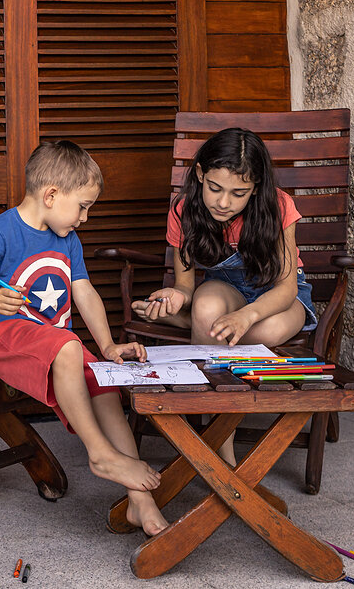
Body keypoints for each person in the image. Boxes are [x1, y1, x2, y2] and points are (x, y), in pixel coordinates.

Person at [0, 140, 169, 536]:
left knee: (102, 379)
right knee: (66, 345)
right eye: (82, 206)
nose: (84, 217)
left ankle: (141, 503)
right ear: (50, 195)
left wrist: (107, 347)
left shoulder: (67, 239)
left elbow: (84, 292)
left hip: (52, 342)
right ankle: (100, 454)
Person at [131, 127, 317, 465]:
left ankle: (194, 327)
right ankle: (223, 448)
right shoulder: (184, 209)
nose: (223, 202)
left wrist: (246, 316)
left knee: (266, 330)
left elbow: (287, 289)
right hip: (226, 287)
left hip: (276, 294)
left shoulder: (278, 206)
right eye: (215, 188)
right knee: (205, 306)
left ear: (256, 187)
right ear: (200, 174)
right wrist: (177, 298)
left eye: (238, 193)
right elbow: (186, 286)